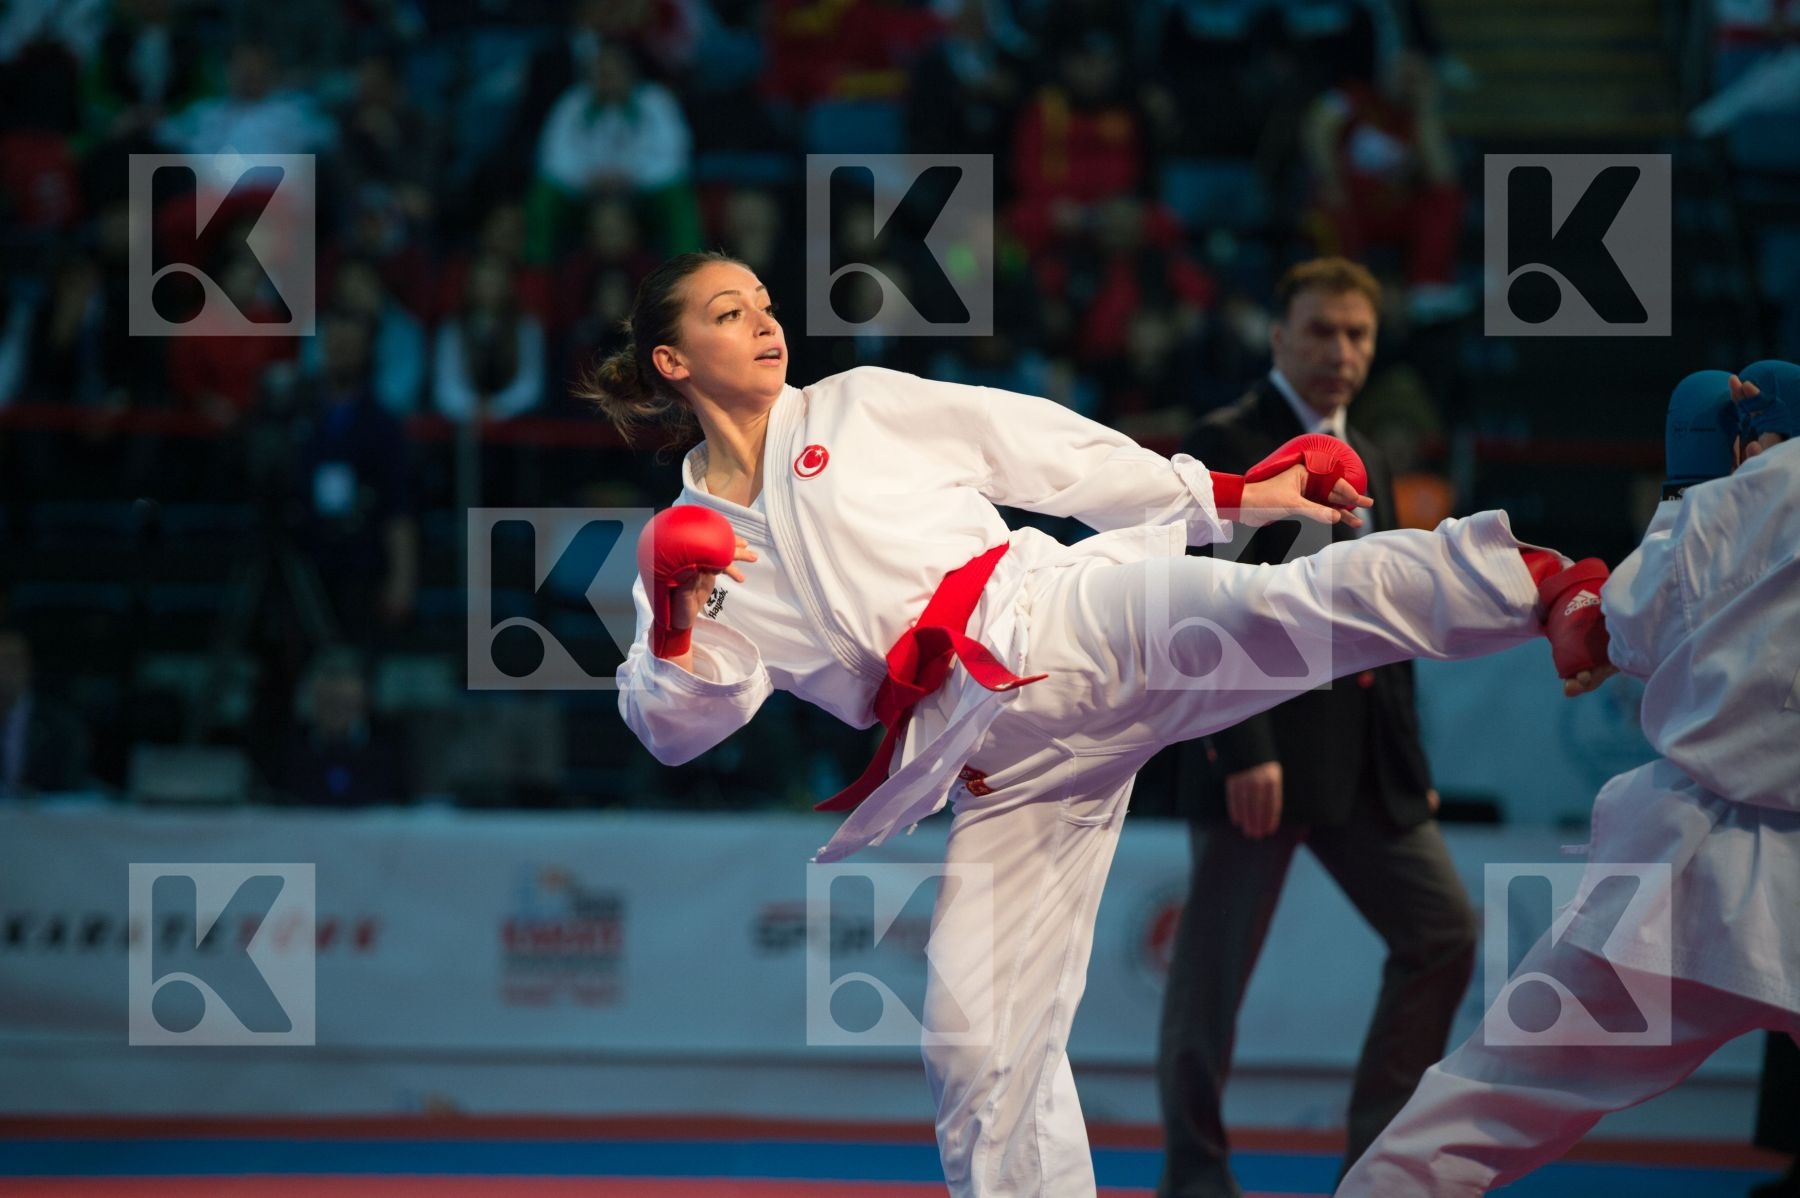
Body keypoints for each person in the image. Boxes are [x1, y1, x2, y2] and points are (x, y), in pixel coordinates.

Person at [588, 251, 1605, 1198]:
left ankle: (1538, 584)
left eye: (766, 305)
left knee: (1278, 611)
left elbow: (1037, 450)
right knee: (975, 1045)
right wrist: (676, 614)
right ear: (674, 360)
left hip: (1060, 622)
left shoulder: (854, 407)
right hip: (995, 765)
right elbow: (673, 726)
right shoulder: (690, 545)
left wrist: (1229, 495)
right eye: (731, 314)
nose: (766, 323)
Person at [1337, 362, 1800, 1197]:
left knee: (1484, 1104)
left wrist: (1690, 491)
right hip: (1718, 860)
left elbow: (1629, 630)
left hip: (1694, 869)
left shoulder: (1746, 493)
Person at [1158, 258, 1471, 1198]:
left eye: (1358, 334)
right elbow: (1202, 605)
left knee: (1444, 934)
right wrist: (1240, 749)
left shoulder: (1368, 448)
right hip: (1258, 758)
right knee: (1210, 988)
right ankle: (1195, 1182)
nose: (1341, 350)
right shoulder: (1227, 440)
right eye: (1322, 331)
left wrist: (1409, 763)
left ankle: (1379, 1166)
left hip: (1367, 764)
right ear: (1278, 336)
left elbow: (1386, 623)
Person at [0, 625, 91, 798]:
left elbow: (70, 788)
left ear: (28, 668)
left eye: (11, 663)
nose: (3, 673)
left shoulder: (62, 726)